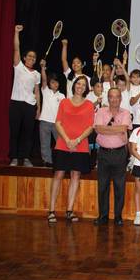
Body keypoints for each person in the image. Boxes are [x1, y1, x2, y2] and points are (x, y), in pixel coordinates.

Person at [48, 76, 94, 223]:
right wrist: (68, 140)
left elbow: (90, 127)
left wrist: (77, 140)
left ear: (86, 88)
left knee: (75, 176)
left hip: (80, 146)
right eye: (78, 84)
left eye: (83, 85)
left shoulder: (89, 105)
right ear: (74, 86)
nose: (80, 86)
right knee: (58, 175)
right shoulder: (64, 102)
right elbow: (58, 122)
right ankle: (51, 211)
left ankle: (69, 210)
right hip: (63, 143)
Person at [94, 88, 132, 226]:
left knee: (119, 186)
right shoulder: (101, 111)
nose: (114, 99)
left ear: (121, 98)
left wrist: (106, 129)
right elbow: (98, 129)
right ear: (108, 98)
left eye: (117, 97)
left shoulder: (126, 113)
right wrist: (116, 129)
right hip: (103, 153)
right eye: (111, 97)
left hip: (119, 153)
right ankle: (103, 216)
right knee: (102, 186)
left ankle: (118, 216)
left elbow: (123, 129)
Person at [9, 25, 41, 167]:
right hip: (16, 103)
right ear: (24, 57)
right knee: (15, 131)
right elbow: (16, 47)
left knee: (28, 134)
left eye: (34, 57)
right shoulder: (18, 66)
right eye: (29, 56)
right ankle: (14, 157)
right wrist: (16, 32)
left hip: (30, 106)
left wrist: (38, 108)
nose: (32, 58)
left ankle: (26, 157)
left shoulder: (37, 74)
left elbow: (37, 91)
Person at [38, 59, 64, 167]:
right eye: (53, 82)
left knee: (60, 143)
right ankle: (47, 161)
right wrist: (43, 68)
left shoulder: (61, 96)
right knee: (45, 143)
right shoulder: (46, 91)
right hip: (44, 121)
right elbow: (43, 80)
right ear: (49, 83)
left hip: (57, 123)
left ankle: (60, 161)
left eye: (57, 82)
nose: (55, 84)